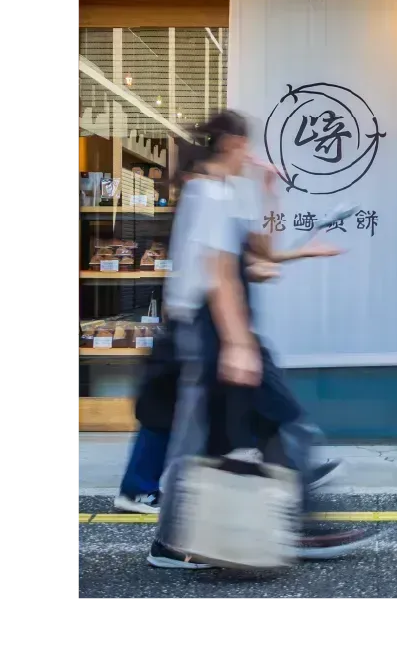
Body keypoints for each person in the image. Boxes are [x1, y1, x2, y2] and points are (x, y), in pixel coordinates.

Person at [148, 113, 373, 569]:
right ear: (233, 143)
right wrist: (238, 344)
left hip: (221, 331)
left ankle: (193, 539)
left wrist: (271, 189)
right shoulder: (208, 193)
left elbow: (259, 253)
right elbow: (218, 274)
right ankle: (290, 526)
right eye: (247, 147)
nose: (251, 156)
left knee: (234, 436)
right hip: (213, 332)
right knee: (265, 427)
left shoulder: (223, 192)